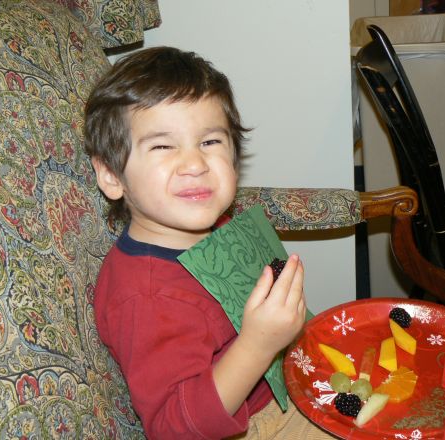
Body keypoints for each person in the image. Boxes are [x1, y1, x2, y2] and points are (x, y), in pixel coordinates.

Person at [84, 46, 334, 439]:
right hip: (256, 426)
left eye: (211, 142)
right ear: (112, 176)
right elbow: (173, 428)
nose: (195, 164)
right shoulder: (147, 298)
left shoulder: (221, 227)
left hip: (296, 380)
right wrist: (257, 344)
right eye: (163, 146)